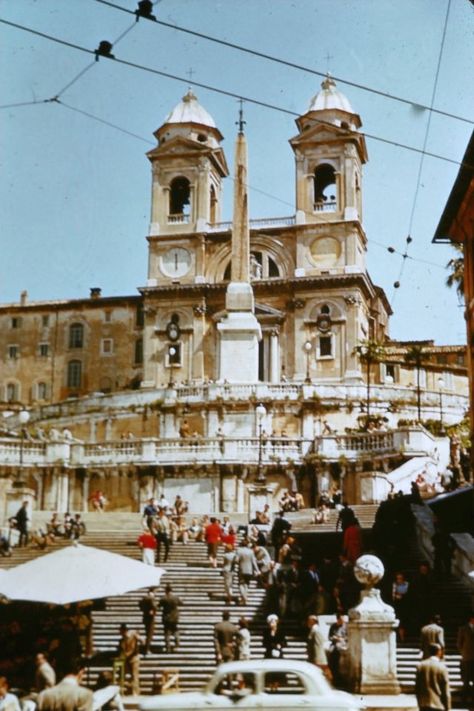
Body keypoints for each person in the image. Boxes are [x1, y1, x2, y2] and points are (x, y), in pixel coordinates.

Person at [415, 643, 451, 711]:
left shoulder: (420, 666)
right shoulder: (442, 667)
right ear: (439, 652)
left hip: (424, 705)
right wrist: (448, 707)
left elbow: (417, 688)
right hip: (438, 705)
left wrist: (420, 703)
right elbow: (446, 691)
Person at [117, 624, 142, 696]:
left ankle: (135, 692)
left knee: (134, 675)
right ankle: (123, 691)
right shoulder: (122, 640)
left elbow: (140, 643)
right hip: (126, 659)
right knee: (122, 674)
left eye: (122, 631)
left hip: (134, 658)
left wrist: (138, 637)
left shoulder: (133, 636)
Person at [234, 540, 259, 605]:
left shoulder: (239, 551)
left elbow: (236, 560)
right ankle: (245, 598)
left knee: (241, 584)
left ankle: (244, 597)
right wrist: (257, 570)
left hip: (242, 570)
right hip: (249, 571)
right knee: (246, 584)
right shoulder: (251, 551)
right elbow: (254, 562)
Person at [457, 613, 474, 704]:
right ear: (471, 619)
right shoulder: (463, 629)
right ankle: (464, 699)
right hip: (467, 658)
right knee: (466, 680)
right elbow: (459, 643)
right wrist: (464, 653)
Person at [159, 583, 181, 653]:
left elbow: (159, 605)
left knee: (167, 633)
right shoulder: (175, 597)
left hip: (166, 618)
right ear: (172, 590)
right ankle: (177, 644)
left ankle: (168, 648)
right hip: (174, 618)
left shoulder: (163, 598)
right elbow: (181, 603)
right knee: (175, 631)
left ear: (166, 590)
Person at [139, 589, 157, 655]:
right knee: (149, 634)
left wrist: (145, 610)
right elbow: (155, 607)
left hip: (145, 617)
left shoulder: (144, 598)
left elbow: (140, 605)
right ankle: (147, 649)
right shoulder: (151, 598)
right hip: (150, 618)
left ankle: (146, 648)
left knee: (147, 633)